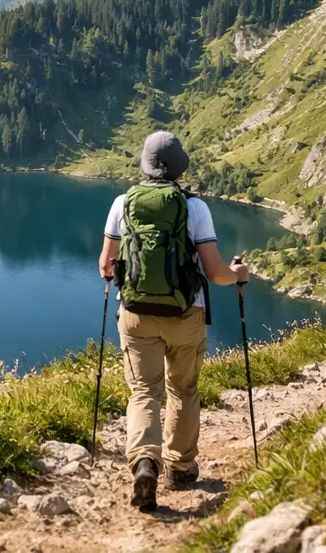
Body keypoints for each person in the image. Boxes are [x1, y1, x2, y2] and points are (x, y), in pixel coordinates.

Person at [97, 130, 248, 512]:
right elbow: (214, 273)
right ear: (179, 168)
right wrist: (239, 275)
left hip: (135, 316)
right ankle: (180, 467)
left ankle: (145, 462)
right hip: (185, 314)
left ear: (144, 166)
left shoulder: (122, 203)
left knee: (144, 392)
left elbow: (105, 264)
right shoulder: (194, 207)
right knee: (182, 390)